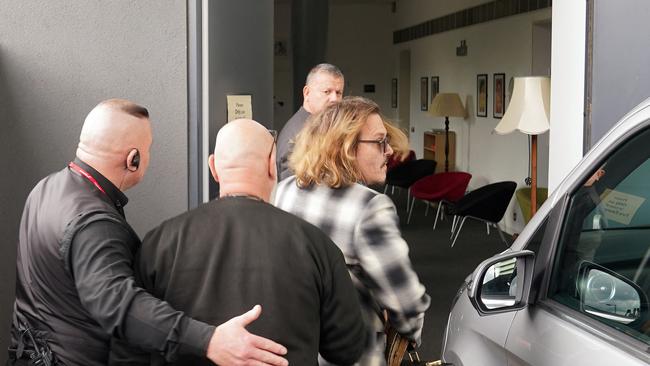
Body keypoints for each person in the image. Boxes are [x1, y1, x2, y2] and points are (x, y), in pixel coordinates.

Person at [8, 99, 288, 366]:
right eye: (149, 148)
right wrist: (210, 340)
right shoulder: (94, 224)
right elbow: (118, 305)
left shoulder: (46, 188)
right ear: (133, 158)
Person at [110, 118, 368, 365]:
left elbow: (130, 344)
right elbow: (346, 349)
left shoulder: (160, 242)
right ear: (272, 165)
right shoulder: (316, 245)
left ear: (213, 167)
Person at [274, 96, 431, 366]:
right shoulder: (369, 207)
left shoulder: (283, 191)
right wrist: (411, 333)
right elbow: (406, 303)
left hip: (294, 351)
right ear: (345, 146)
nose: (390, 151)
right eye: (380, 141)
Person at [277, 63, 344, 180]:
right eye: (327, 92)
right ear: (307, 93)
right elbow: (295, 192)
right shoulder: (297, 137)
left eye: (338, 93)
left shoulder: (316, 127)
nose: (335, 99)